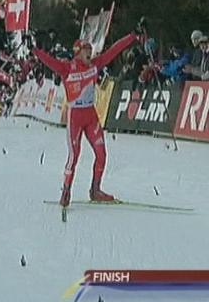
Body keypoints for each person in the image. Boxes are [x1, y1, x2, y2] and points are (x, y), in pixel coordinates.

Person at [33, 33, 138, 207]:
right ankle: (66, 190)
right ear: (78, 52)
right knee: (74, 156)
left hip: (91, 115)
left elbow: (115, 50)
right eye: (86, 50)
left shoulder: (96, 64)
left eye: (91, 50)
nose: (90, 53)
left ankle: (95, 190)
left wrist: (132, 36)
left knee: (101, 154)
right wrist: (34, 50)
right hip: (75, 117)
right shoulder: (67, 68)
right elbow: (49, 61)